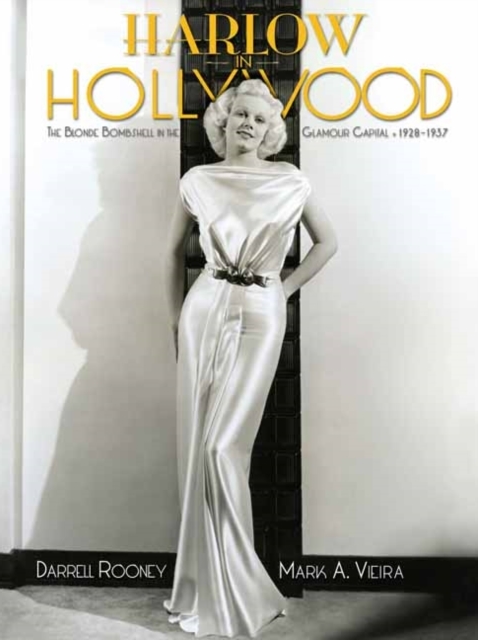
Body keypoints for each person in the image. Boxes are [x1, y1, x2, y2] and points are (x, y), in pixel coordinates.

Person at [164, 79, 338, 637]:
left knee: (223, 448)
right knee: (200, 447)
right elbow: (170, 253)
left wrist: (283, 289)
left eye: (260, 119)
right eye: (240, 114)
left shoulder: (290, 180)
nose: (248, 124)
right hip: (205, 307)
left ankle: (239, 587)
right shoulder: (198, 180)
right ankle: (208, 587)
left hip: (262, 311)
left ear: (271, 131)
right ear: (223, 121)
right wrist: (175, 317)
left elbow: (328, 242)